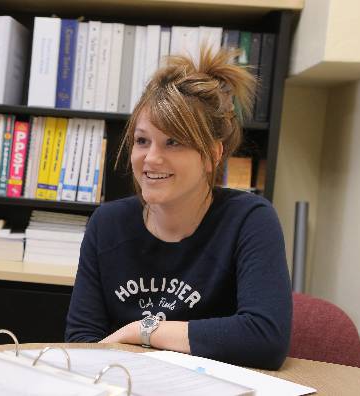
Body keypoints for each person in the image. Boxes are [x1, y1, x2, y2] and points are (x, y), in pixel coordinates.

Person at [65, 47, 292, 370]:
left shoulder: (249, 219)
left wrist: (142, 330)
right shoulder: (107, 223)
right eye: (142, 141)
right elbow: (82, 342)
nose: (151, 159)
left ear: (213, 154)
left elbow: (266, 338)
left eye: (173, 142)